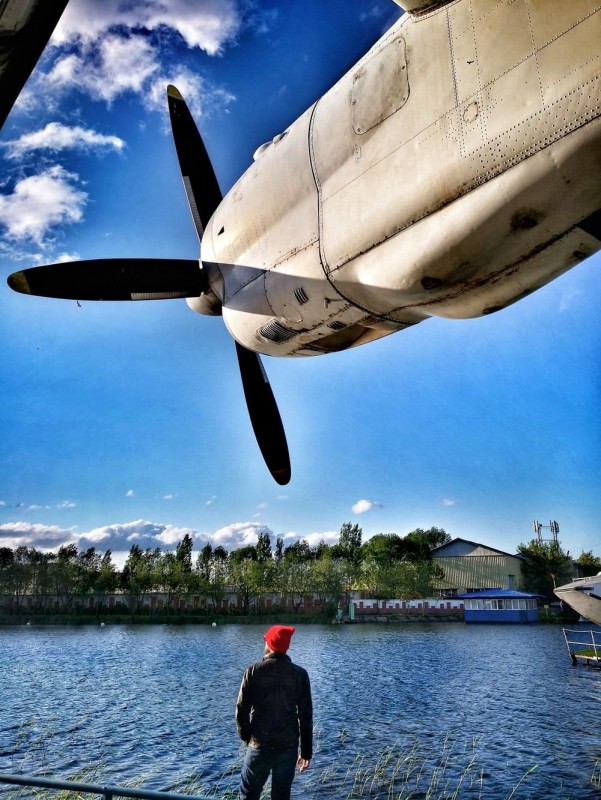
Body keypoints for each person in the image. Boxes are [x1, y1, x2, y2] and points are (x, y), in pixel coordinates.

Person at [235, 624, 313, 800]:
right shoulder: (300, 675)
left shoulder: (253, 671)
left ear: (269, 644)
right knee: (281, 796)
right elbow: (306, 716)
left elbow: (241, 711)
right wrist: (306, 752)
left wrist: (247, 738)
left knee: (248, 794)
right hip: (287, 748)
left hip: (259, 745)